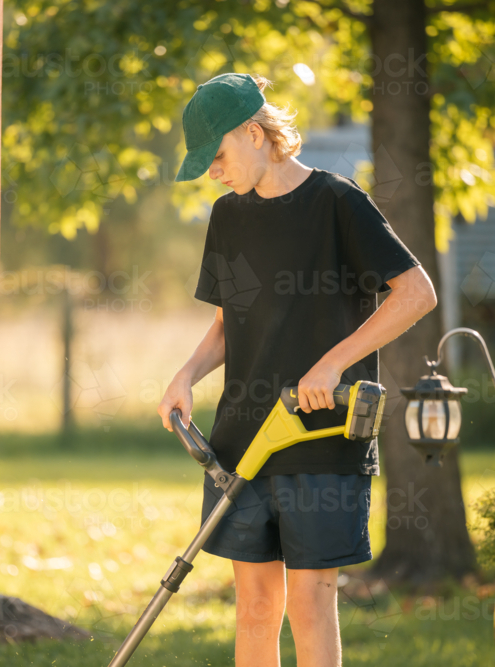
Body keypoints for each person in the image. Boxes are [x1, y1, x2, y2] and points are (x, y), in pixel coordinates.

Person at [157, 72, 438, 667]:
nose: (213, 170)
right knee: (256, 608)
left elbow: (416, 293)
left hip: (321, 436)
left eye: (217, 155)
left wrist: (332, 364)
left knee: (309, 606)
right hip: (242, 441)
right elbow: (229, 323)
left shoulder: (338, 203)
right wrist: (186, 375)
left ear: (254, 133)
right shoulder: (227, 216)